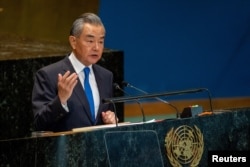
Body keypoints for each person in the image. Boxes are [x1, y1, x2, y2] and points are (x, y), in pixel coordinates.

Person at [32, 13, 117, 132]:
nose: (97, 47)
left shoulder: (106, 76)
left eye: (101, 42)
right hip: (66, 149)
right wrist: (61, 100)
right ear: (73, 41)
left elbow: (106, 115)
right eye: (90, 41)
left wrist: (111, 120)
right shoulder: (49, 75)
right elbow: (39, 124)